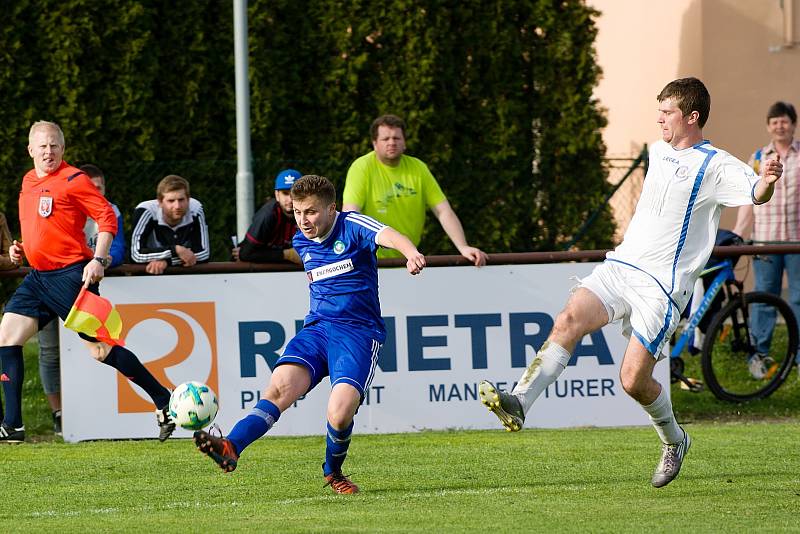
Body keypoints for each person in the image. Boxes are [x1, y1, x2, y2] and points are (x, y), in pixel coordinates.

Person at [478, 78, 782, 488]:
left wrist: (767, 179)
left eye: (668, 112)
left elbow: (755, 193)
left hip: (661, 288)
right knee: (568, 318)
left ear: (692, 117)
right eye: (659, 110)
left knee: (632, 381)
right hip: (621, 266)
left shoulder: (714, 164)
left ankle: (674, 440)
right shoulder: (658, 151)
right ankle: (519, 402)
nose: (659, 118)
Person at [193, 175, 426, 494]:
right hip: (317, 330)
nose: (303, 220)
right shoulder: (301, 240)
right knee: (277, 390)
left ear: (332, 208)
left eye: (312, 212)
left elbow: (389, 235)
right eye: (299, 212)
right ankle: (231, 447)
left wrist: (410, 252)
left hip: (357, 333)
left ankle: (333, 472)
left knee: (340, 412)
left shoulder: (352, 225)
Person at [0, 121, 176, 443]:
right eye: (42, 146)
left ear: (63, 149)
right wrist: (21, 248)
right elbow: (43, 227)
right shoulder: (27, 181)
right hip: (38, 277)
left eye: (54, 145)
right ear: (30, 150)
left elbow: (106, 217)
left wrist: (99, 259)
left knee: (101, 351)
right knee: (7, 336)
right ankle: (13, 425)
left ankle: (163, 400)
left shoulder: (74, 179)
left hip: (71, 276)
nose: (48, 151)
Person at [37, 163, 126, 435]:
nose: (95, 192)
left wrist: (103, 258)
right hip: (51, 281)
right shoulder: (62, 204)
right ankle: (58, 413)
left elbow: (119, 247)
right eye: (92, 187)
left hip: (84, 286)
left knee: (100, 348)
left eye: (99, 188)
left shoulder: (109, 210)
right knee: (49, 351)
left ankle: (96, 413)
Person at [342, 114, 487, 266]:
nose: (391, 143)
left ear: (404, 142)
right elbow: (351, 213)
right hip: (369, 260)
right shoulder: (361, 167)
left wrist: (463, 247)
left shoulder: (419, 168)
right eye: (385, 139)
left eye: (397, 138)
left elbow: (443, 211)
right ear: (374, 144)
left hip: (409, 258)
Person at [733, 101, 800, 377]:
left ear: (793, 124)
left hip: (797, 242)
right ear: (768, 126)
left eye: (784, 121)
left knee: (799, 299)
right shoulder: (758, 157)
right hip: (765, 242)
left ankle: (798, 358)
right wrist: (738, 233)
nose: (779, 126)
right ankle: (760, 355)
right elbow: (749, 200)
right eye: (774, 122)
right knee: (764, 298)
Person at [130, 174, 210, 275]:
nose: (177, 206)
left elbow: (204, 253)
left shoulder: (196, 209)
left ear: (188, 199)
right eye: (171, 201)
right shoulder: (145, 211)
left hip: (185, 277)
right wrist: (175, 250)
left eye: (181, 200)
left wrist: (167, 261)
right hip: (149, 276)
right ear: (160, 202)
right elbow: (136, 255)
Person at [233, 168, 301, 264]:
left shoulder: (311, 215)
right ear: (277, 195)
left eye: (295, 194)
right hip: (253, 275)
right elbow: (245, 254)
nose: (290, 199)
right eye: (285, 193)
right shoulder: (268, 215)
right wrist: (288, 254)